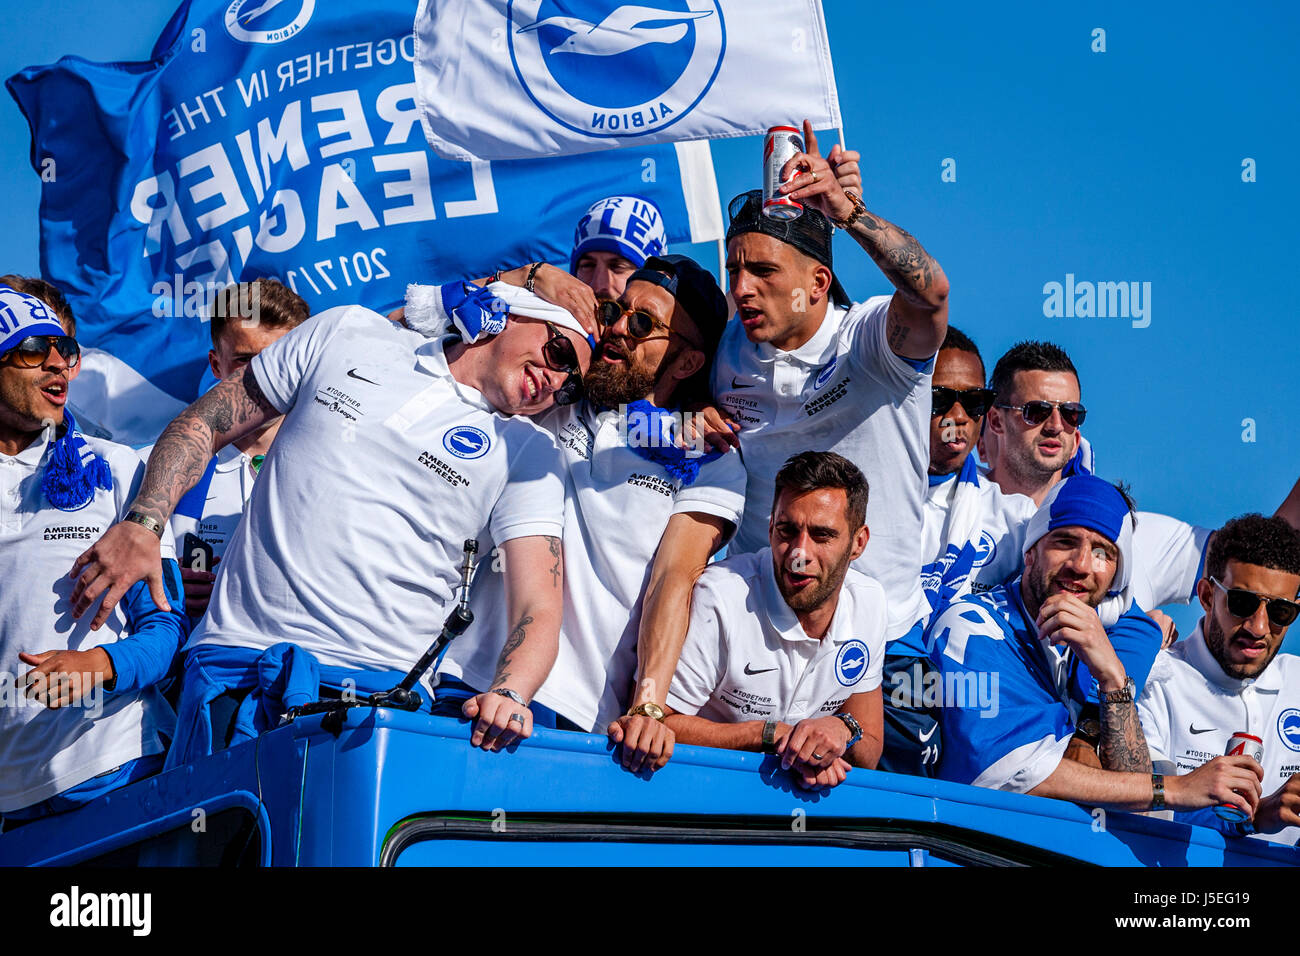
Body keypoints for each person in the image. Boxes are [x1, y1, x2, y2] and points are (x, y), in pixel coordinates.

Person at [67, 284, 591, 763]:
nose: (556, 379)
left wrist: (510, 692)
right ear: (507, 312)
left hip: (379, 700)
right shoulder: (348, 330)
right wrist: (143, 522)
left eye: (570, 384)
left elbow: (538, 604)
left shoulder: (532, 450)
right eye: (559, 352)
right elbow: (204, 423)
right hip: (236, 665)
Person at [421, 256, 745, 773]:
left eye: (642, 324)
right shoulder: (554, 391)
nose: (617, 328)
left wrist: (649, 704)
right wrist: (531, 277)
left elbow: (673, 580)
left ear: (686, 364)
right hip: (463, 680)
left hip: (578, 714)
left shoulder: (711, 458)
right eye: (613, 310)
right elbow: (430, 314)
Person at [706, 120, 949, 775]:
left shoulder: (869, 342)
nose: (742, 287)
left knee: (884, 832)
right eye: (734, 270)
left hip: (886, 640)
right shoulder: (727, 350)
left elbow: (930, 293)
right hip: (762, 634)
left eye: (762, 271)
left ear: (817, 283)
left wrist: (850, 213)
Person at [928, 475, 1251, 815]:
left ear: (1116, 577)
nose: (1081, 565)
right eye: (1065, 542)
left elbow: (1132, 791)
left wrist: (1112, 679)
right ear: (1031, 553)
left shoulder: (1105, 640)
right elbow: (1022, 776)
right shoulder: (972, 628)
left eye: (1103, 553)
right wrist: (1174, 788)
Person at [0, 284, 187, 828]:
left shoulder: (118, 468)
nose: (58, 364)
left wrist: (99, 665)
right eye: (34, 349)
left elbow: (166, 628)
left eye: (65, 350)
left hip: (116, 768)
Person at [664, 452, 886, 791]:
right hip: (697, 794)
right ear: (769, 527)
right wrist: (770, 735)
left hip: (789, 811)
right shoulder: (722, 596)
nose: (800, 554)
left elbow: (869, 745)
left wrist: (837, 735)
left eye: (822, 535)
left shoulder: (870, 603)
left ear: (858, 543)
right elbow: (660, 725)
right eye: (787, 530)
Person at [150, 279, 308, 621]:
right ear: (215, 364)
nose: (264, 378)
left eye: (277, 360)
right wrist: (164, 584)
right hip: (201, 664)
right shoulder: (154, 467)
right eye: (244, 360)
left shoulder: (336, 465)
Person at [1137, 514, 1300, 843]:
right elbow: (1143, 803)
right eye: (1242, 603)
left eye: (1281, 612)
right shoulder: (1153, 679)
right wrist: (1252, 818)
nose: (1258, 628)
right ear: (1207, 596)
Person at [921, 327, 1035, 612]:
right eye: (940, 399)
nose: (959, 417)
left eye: (974, 402)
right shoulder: (859, 501)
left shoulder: (1016, 520)